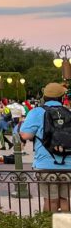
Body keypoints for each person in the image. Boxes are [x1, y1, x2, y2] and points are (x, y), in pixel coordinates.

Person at [20, 83, 71, 212]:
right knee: (64, 199)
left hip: (46, 163)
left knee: (50, 200)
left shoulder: (37, 112)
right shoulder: (68, 112)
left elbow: (25, 135)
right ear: (61, 97)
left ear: (45, 96)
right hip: (68, 164)